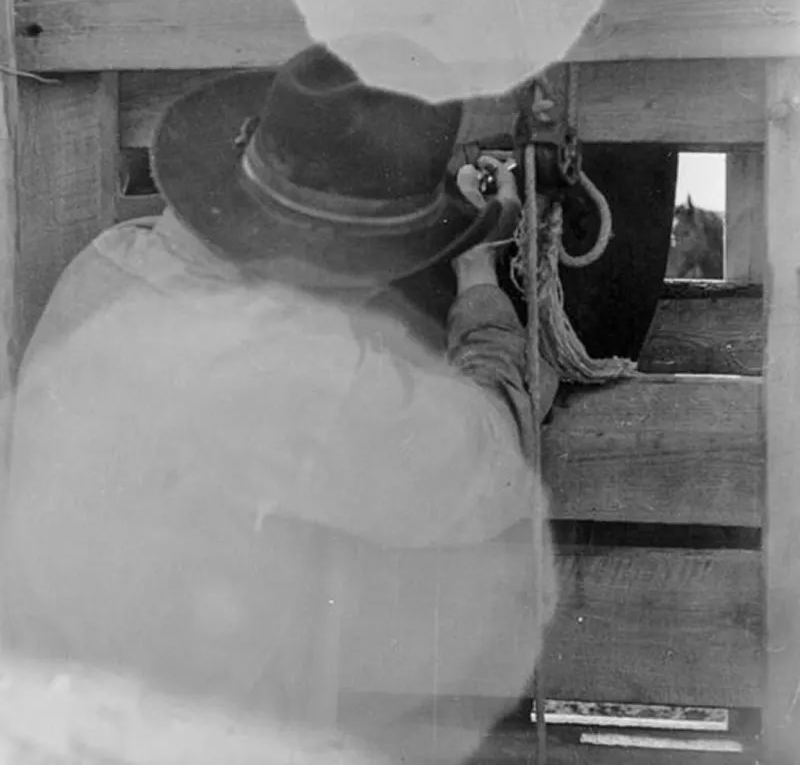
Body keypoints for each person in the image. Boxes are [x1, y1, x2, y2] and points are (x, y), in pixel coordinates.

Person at [1, 43, 557, 765]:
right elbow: (493, 459)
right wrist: (477, 274)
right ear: (340, 259)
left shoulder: (110, 261)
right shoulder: (298, 374)